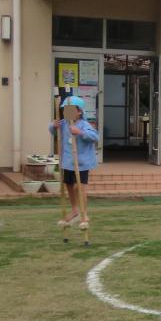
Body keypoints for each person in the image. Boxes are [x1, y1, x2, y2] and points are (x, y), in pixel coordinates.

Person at [47, 95, 98, 227]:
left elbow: (94, 136)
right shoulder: (63, 123)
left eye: (70, 110)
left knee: (79, 187)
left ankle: (84, 213)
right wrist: (53, 125)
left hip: (81, 163)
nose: (67, 113)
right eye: (65, 110)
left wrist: (80, 132)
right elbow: (52, 131)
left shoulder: (84, 124)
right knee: (69, 186)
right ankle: (75, 210)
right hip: (67, 162)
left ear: (79, 111)